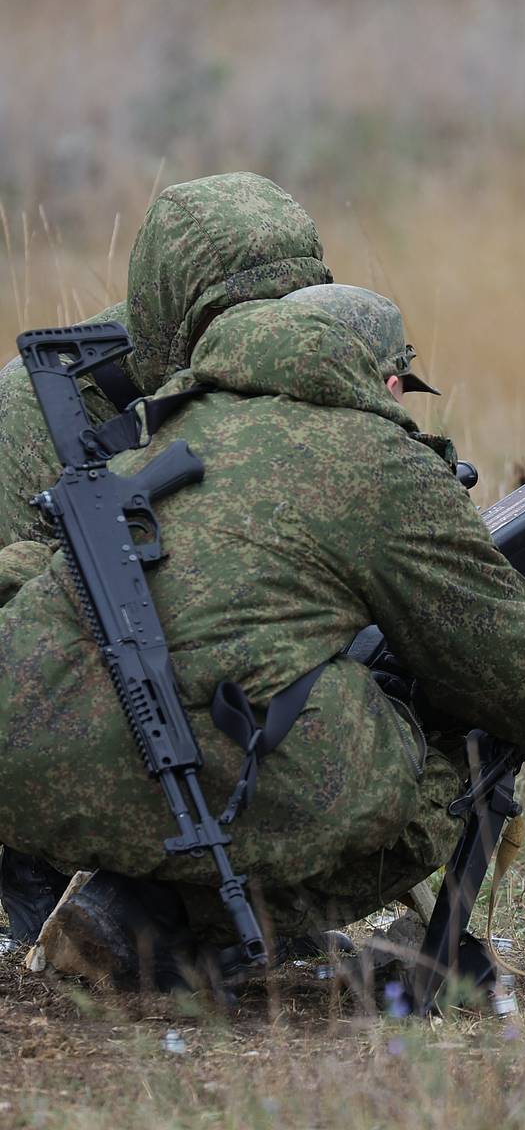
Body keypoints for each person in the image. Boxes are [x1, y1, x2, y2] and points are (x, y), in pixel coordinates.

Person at [0, 283, 525, 985]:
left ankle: (122, 902)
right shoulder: (374, 460)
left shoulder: (163, 422)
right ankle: (162, 919)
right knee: (433, 755)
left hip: (26, 772)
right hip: (162, 764)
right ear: (386, 379)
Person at [0, 170, 333, 941]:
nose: (262, 337)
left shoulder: (289, 373)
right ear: (176, 316)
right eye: (233, 320)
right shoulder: (39, 408)